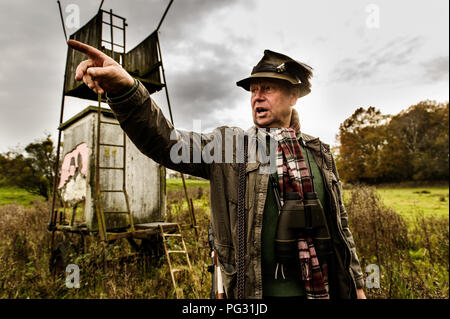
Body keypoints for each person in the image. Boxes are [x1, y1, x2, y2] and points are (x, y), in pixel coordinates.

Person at [68, 39, 367, 299]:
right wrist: (127, 90)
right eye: (253, 90)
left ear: (293, 96)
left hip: (320, 291)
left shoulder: (318, 152)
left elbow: (341, 227)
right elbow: (164, 141)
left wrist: (357, 285)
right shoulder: (230, 147)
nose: (257, 96)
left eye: (268, 88)